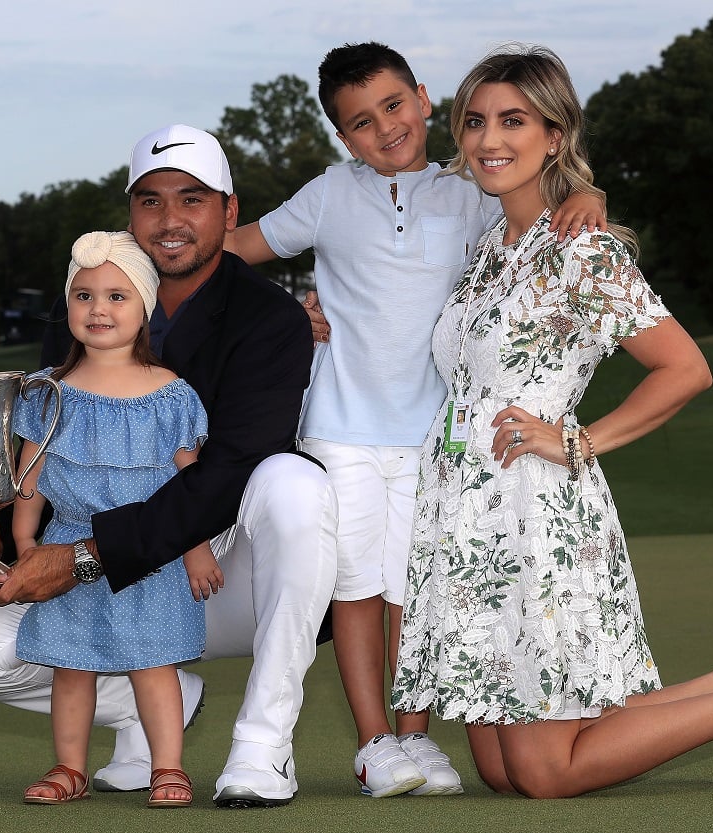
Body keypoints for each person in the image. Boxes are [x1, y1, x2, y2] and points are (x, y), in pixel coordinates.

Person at [391, 44, 713, 798]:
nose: (489, 139)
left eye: (514, 121)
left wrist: (577, 439)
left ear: (555, 134)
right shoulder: (491, 245)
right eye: (475, 122)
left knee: (543, 772)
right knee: (501, 772)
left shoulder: (582, 251)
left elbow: (686, 367)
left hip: (534, 508)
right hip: (470, 515)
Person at [226, 41, 606, 798]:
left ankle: (415, 739)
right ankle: (374, 743)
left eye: (394, 106)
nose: (385, 128)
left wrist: (588, 201)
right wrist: (288, 313)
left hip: (438, 434)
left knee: (416, 587)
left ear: (425, 99)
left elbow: (543, 217)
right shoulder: (328, 194)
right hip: (340, 424)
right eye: (360, 122)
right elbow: (232, 251)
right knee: (356, 584)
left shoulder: (472, 192)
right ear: (343, 137)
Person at [0, 124, 338, 809]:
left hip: (222, 571)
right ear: (130, 213)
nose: (170, 220)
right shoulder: (86, 307)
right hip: (101, 561)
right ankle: (157, 705)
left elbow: (227, 475)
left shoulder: (269, 318)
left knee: (294, 483)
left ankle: (263, 746)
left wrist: (88, 555)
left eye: (192, 199)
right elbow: (48, 449)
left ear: (229, 213)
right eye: (150, 201)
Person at [11, 230, 216, 807]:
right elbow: (31, 472)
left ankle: (168, 768)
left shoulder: (169, 394)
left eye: (117, 296)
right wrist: (25, 538)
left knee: (153, 665)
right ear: (68, 306)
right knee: (71, 666)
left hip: (151, 554)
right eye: (84, 295)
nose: (99, 309)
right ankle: (68, 767)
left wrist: (196, 548)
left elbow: (189, 485)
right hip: (68, 546)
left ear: (145, 307)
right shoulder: (49, 393)